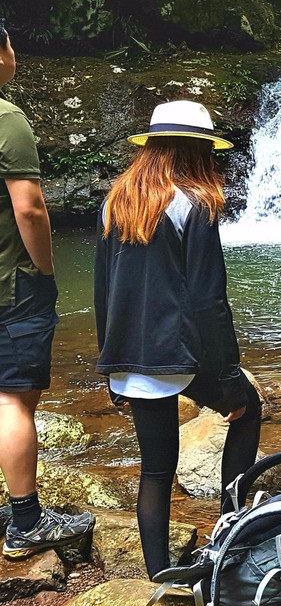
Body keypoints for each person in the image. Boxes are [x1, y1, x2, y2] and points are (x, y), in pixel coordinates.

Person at [93, 100, 261, 579]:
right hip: (179, 355)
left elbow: (103, 293)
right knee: (248, 410)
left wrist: (111, 369)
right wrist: (229, 377)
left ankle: (158, 578)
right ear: (197, 152)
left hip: (128, 357)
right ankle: (230, 531)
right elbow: (209, 303)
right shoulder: (195, 205)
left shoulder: (114, 200)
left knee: (156, 471)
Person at [0, 30, 95, 559]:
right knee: (13, 397)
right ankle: (26, 522)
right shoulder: (6, 118)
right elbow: (30, 207)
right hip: (11, 282)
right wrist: (45, 270)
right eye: (12, 46)